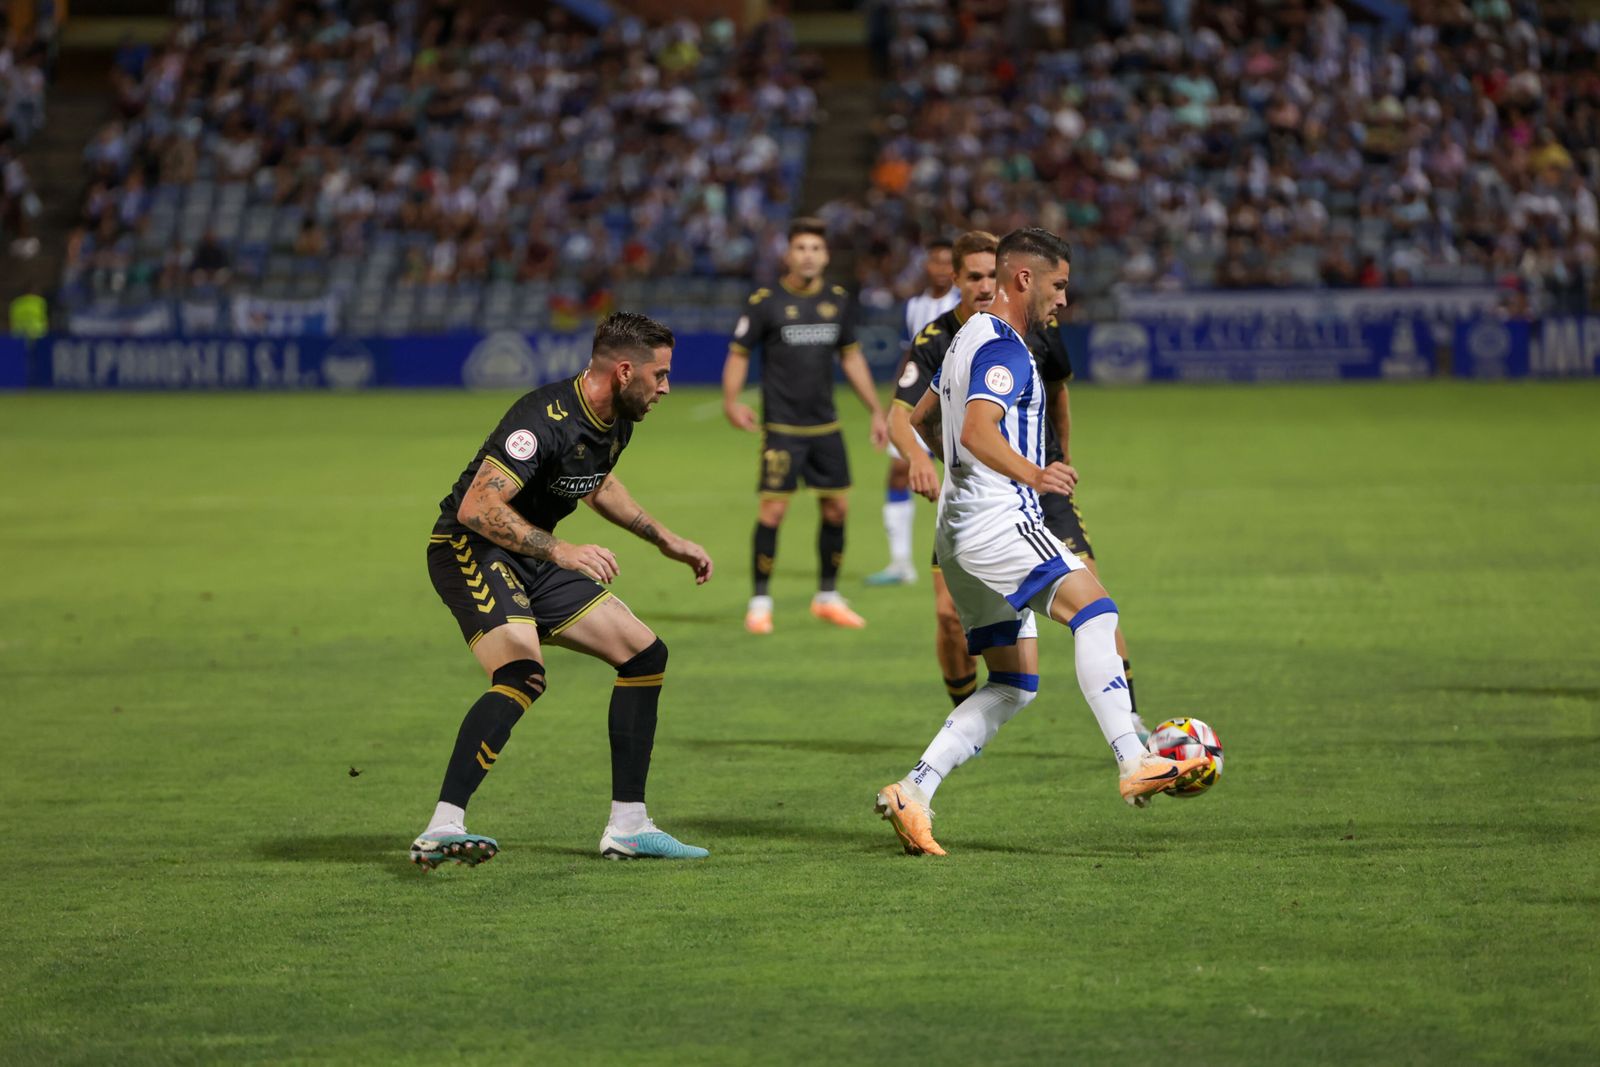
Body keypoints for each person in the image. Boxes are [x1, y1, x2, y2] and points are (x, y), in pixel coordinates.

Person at [875, 228, 1205, 856]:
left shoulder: (965, 336)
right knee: (1097, 611)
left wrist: (943, 478)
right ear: (1023, 279)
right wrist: (1034, 472)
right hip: (1001, 520)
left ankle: (914, 790)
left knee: (1012, 684)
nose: (1063, 301)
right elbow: (976, 429)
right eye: (1058, 286)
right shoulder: (1005, 347)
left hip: (958, 531)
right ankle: (1134, 757)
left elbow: (919, 420)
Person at [411, 312, 714, 870]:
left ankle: (628, 826)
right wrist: (560, 550)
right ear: (625, 371)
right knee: (522, 675)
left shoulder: (617, 418)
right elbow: (476, 507)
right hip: (470, 546)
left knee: (644, 654)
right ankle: (442, 826)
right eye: (661, 375)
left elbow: (594, 481)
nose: (667, 388)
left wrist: (664, 539)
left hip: (533, 553)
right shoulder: (541, 418)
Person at [888, 232, 1145, 730]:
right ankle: (967, 716)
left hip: (1041, 489)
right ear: (955, 280)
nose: (986, 285)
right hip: (988, 497)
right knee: (952, 619)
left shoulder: (1037, 323)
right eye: (975, 276)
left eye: (992, 274)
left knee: (1092, 597)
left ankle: (1130, 722)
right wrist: (927, 459)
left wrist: (1060, 459)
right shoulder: (943, 338)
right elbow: (909, 416)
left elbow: (1059, 394)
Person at [722, 216, 889, 635]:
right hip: (782, 426)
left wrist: (875, 409)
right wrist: (731, 400)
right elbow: (740, 352)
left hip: (825, 426)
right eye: (801, 248)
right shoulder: (766, 301)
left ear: (825, 255)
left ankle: (827, 597)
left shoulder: (837, 299)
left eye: (815, 248)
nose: (808, 255)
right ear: (788, 254)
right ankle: (760, 602)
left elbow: (850, 356)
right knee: (773, 511)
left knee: (837, 508)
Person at [867, 236, 958, 586]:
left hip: (951, 407)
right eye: (937, 262)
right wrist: (892, 408)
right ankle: (901, 563)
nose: (942, 270)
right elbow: (909, 359)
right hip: (916, 403)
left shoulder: (964, 303)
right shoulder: (914, 307)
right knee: (897, 473)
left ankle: (961, 557)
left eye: (949, 263)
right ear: (926, 265)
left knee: (956, 479)